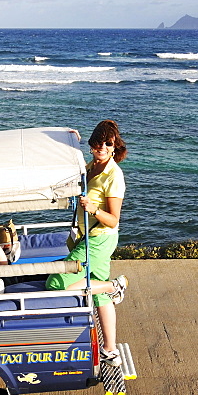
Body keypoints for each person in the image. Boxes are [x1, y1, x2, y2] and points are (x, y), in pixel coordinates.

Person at [46, 120, 130, 366]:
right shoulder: (93, 165)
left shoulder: (113, 176)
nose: (101, 147)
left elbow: (113, 220)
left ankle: (112, 286)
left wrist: (93, 209)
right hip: (87, 237)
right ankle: (110, 350)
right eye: (97, 143)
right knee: (100, 299)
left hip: (99, 239)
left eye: (108, 143)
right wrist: (71, 141)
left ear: (115, 146)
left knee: (57, 284)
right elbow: (73, 169)